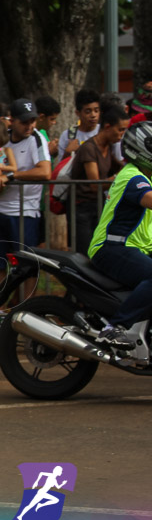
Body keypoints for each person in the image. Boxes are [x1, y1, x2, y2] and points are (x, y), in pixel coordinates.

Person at [0, 98, 51, 330]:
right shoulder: (0, 139)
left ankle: (27, 311)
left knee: (27, 265)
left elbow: (45, 171)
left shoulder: (37, 139)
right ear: (12, 120)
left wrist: (11, 176)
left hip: (26, 212)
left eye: (32, 120)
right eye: (24, 122)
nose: (29, 125)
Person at [87, 123, 152, 350]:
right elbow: (149, 199)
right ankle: (114, 328)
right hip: (111, 247)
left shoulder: (146, 177)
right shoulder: (133, 177)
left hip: (133, 247)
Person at [67, 105, 127, 255]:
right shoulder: (89, 148)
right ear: (107, 127)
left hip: (98, 206)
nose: (122, 134)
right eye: (120, 129)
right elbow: (94, 184)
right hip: (81, 209)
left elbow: (121, 168)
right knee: (85, 253)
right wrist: (120, 178)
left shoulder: (108, 147)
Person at [58, 89, 101, 162]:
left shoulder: (103, 131)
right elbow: (60, 167)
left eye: (96, 111)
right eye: (88, 112)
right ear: (78, 113)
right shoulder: (68, 135)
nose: (93, 115)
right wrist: (68, 153)